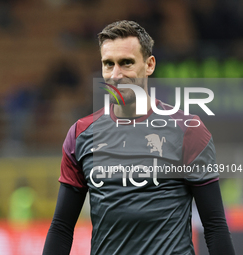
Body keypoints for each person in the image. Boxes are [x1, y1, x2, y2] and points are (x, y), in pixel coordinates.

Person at [42, 20, 235, 255]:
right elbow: (62, 227)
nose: (115, 74)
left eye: (126, 63)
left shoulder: (188, 130)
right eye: (108, 64)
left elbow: (214, 225)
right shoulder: (80, 135)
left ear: (150, 65)